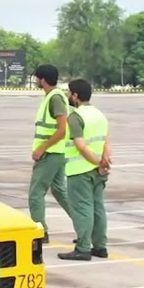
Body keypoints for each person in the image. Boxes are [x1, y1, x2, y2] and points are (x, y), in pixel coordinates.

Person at [59, 79, 112, 261]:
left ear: (75, 96)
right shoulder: (99, 115)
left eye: (68, 93)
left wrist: (97, 162)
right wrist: (104, 162)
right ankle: (100, 246)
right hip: (99, 171)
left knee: (83, 209)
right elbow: (106, 141)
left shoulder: (76, 116)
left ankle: (83, 248)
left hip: (81, 170)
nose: (67, 96)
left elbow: (80, 145)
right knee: (98, 208)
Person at [28, 64, 71, 243]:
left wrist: (42, 148)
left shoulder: (55, 98)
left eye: (37, 78)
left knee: (36, 193)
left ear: (43, 80)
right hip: (55, 152)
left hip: (50, 154)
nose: (36, 81)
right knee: (60, 192)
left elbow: (62, 129)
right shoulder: (52, 97)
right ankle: (85, 224)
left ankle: (40, 231)